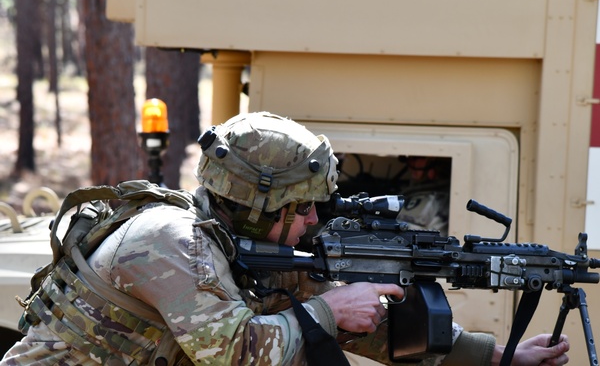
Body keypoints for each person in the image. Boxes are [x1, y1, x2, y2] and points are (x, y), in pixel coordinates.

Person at [1, 112, 570, 366]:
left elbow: (368, 334)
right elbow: (237, 353)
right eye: (299, 208)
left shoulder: (245, 249)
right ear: (256, 203)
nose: (309, 222)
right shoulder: (169, 242)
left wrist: (498, 357)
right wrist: (328, 306)